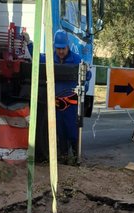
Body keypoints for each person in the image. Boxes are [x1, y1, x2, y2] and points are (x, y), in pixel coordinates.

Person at [49, 30, 82, 163]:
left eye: (63, 48)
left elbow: (86, 74)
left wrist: (85, 76)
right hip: (57, 103)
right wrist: (29, 44)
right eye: (58, 49)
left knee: (72, 131)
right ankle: (63, 156)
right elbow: (38, 60)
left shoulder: (76, 60)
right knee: (60, 131)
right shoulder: (51, 58)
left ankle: (75, 155)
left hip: (71, 104)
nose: (61, 51)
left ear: (68, 46)